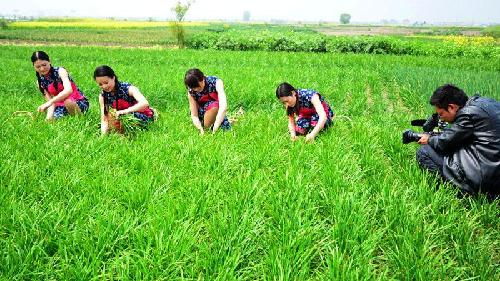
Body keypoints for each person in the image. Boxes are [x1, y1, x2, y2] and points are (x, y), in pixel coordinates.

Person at [416, 84, 500, 199]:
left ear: (451, 107)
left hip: (486, 183)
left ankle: (452, 194)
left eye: (441, 114)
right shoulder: (487, 102)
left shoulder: (467, 114)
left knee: (424, 152)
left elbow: (444, 143)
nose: (441, 118)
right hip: (495, 173)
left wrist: (429, 138)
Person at [93, 65, 155, 135]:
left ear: (113, 78)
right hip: (121, 117)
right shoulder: (103, 96)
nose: (104, 86)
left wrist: (124, 112)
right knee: (104, 125)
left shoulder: (128, 88)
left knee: (120, 122)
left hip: (139, 115)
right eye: (100, 84)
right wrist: (103, 137)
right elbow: (104, 118)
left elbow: (145, 103)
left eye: (106, 83)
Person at [31, 51, 89, 120]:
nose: (42, 69)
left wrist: (50, 102)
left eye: (44, 65)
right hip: (60, 106)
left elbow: (68, 90)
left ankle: (81, 120)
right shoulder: (40, 82)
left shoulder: (60, 71)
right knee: (50, 120)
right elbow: (50, 104)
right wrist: (48, 118)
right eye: (38, 67)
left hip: (76, 101)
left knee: (68, 102)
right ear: (34, 66)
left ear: (49, 61)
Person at [184, 68, 231, 134]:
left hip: (218, 113)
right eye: (194, 88)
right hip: (202, 117)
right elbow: (194, 115)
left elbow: (223, 107)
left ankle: (212, 128)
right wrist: (200, 129)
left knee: (215, 105)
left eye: (199, 87)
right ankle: (207, 129)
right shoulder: (191, 91)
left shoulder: (216, 82)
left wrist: (216, 127)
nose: (197, 90)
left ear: (203, 79)